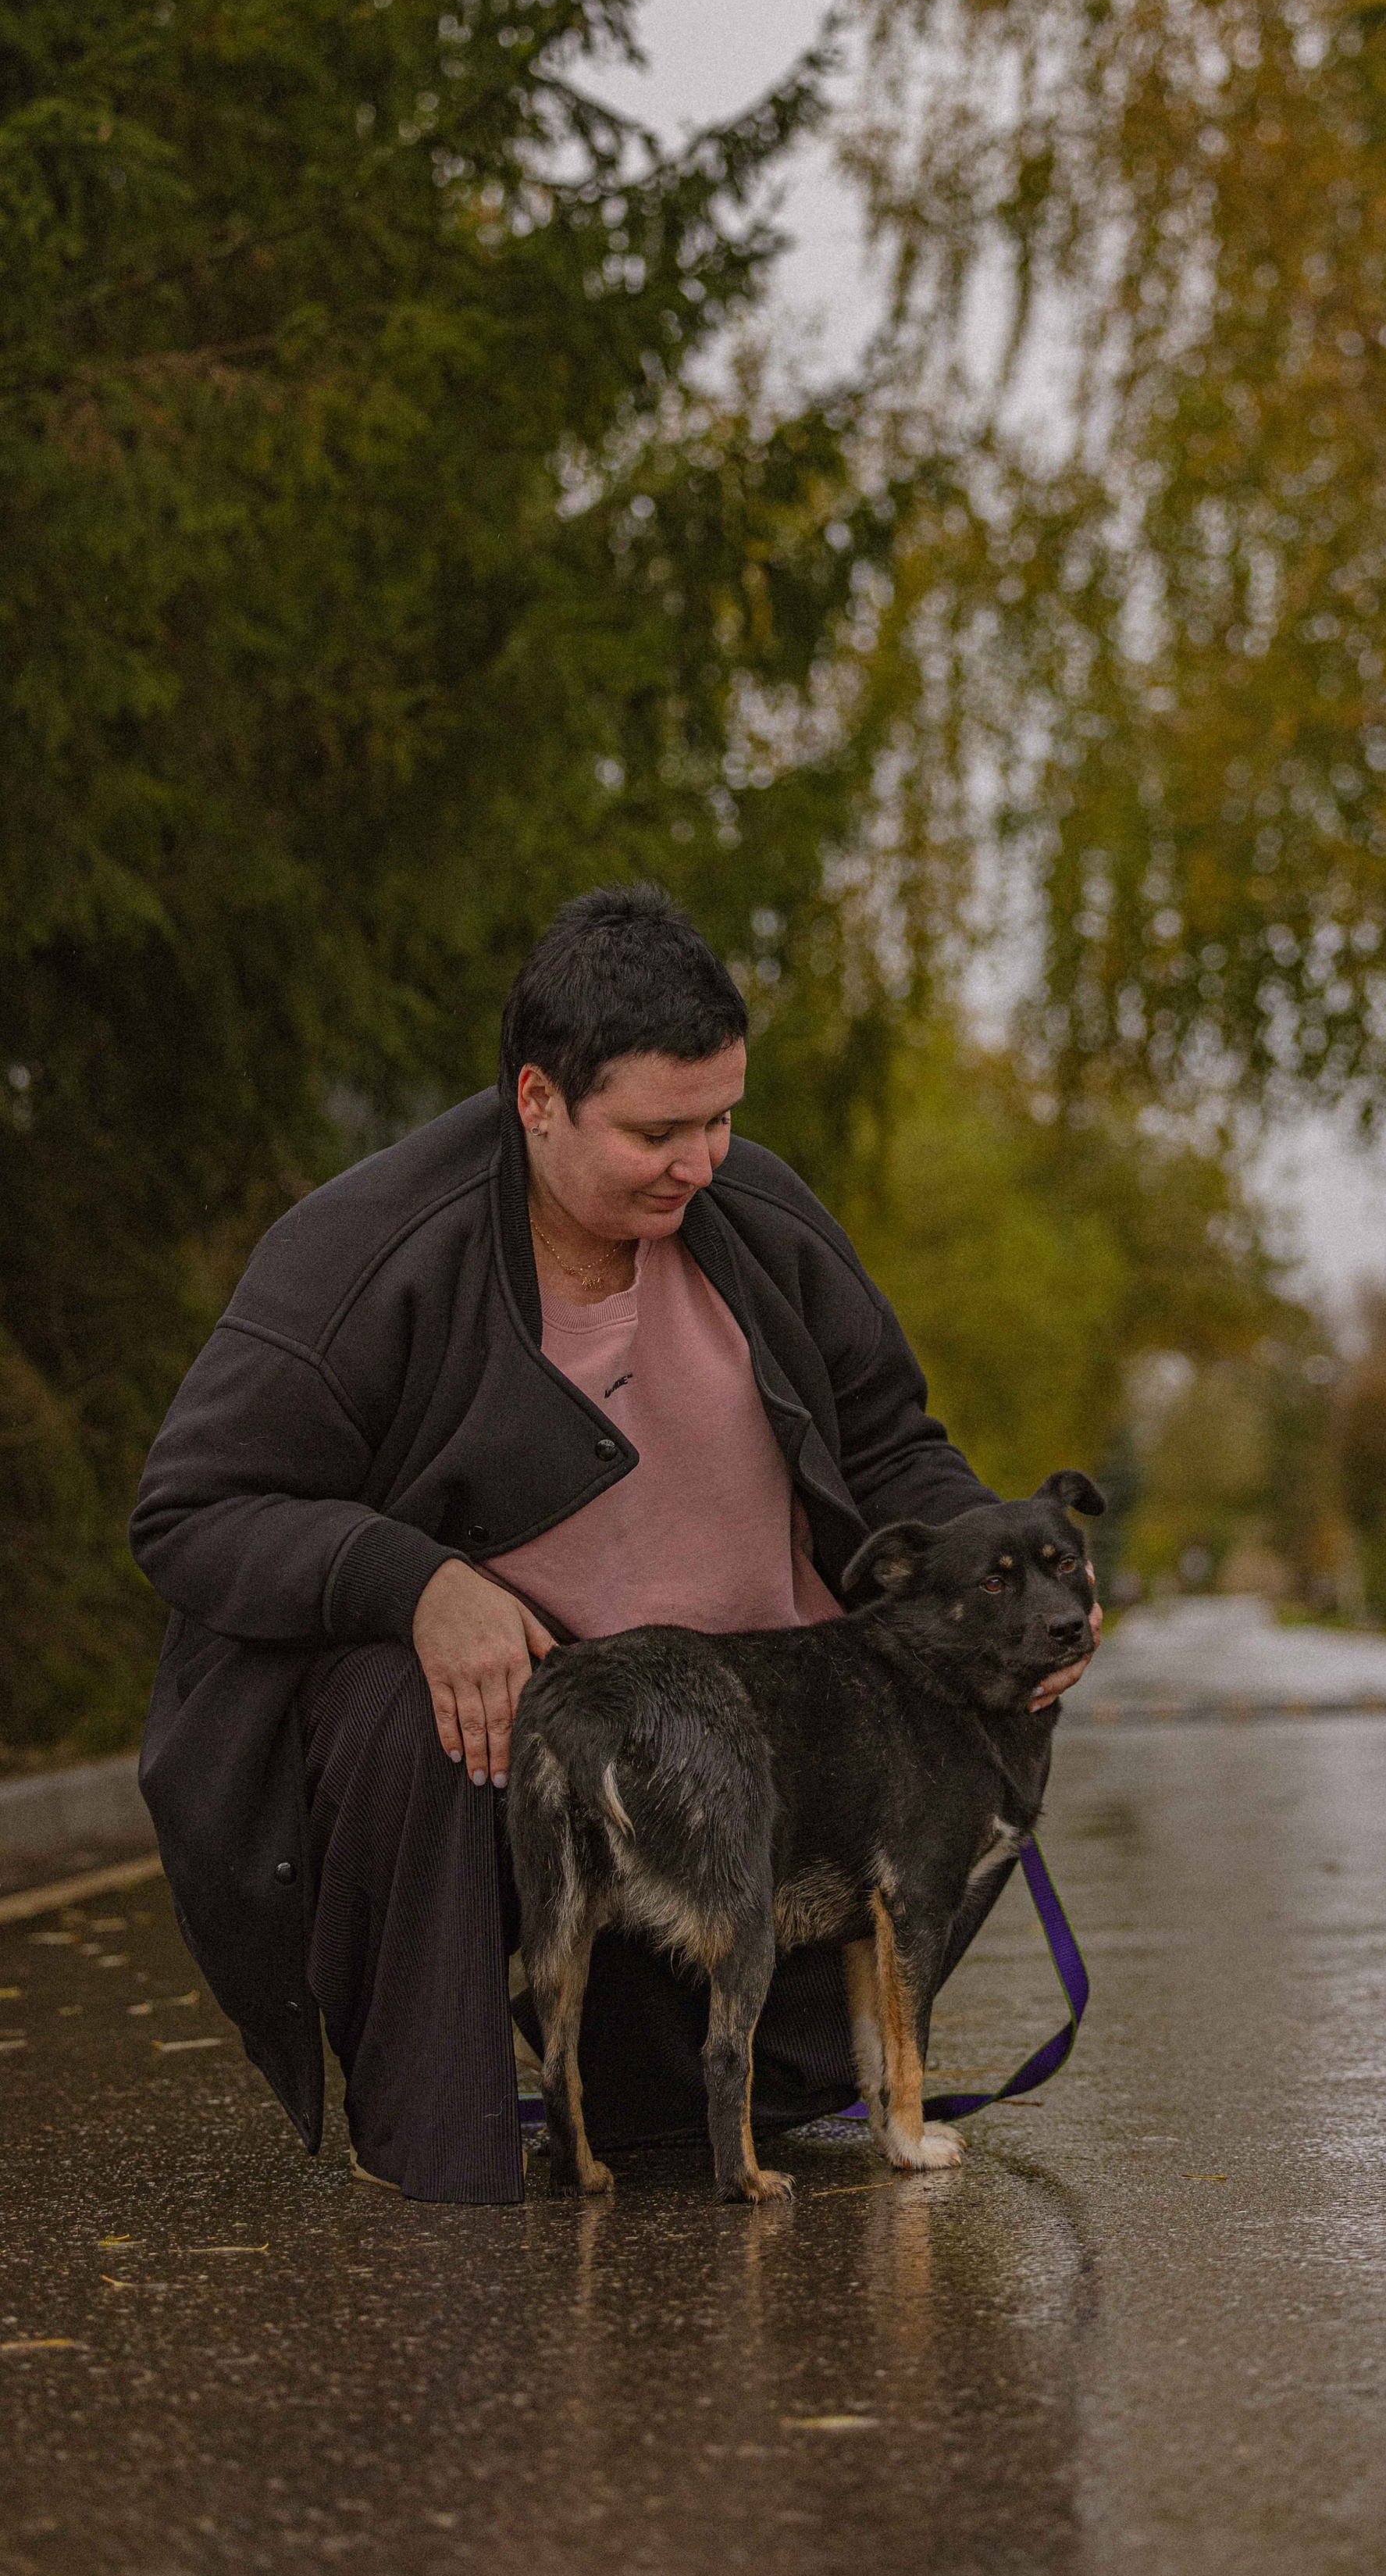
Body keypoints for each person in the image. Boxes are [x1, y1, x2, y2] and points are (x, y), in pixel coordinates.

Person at [131, 889, 1095, 2203]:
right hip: (520, 1732)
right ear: (538, 1099)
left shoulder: (757, 1213)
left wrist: (1004, 1599)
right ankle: (441, 2157)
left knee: (682, 2117)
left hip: (758, 1741)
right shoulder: (360, 1255)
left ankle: (698, 2081)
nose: (701, 1162)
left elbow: (894, 1449)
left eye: (722, 1117)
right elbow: (189, 1508)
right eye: (656, 1130)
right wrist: (417, 1581)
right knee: (421, 1708)